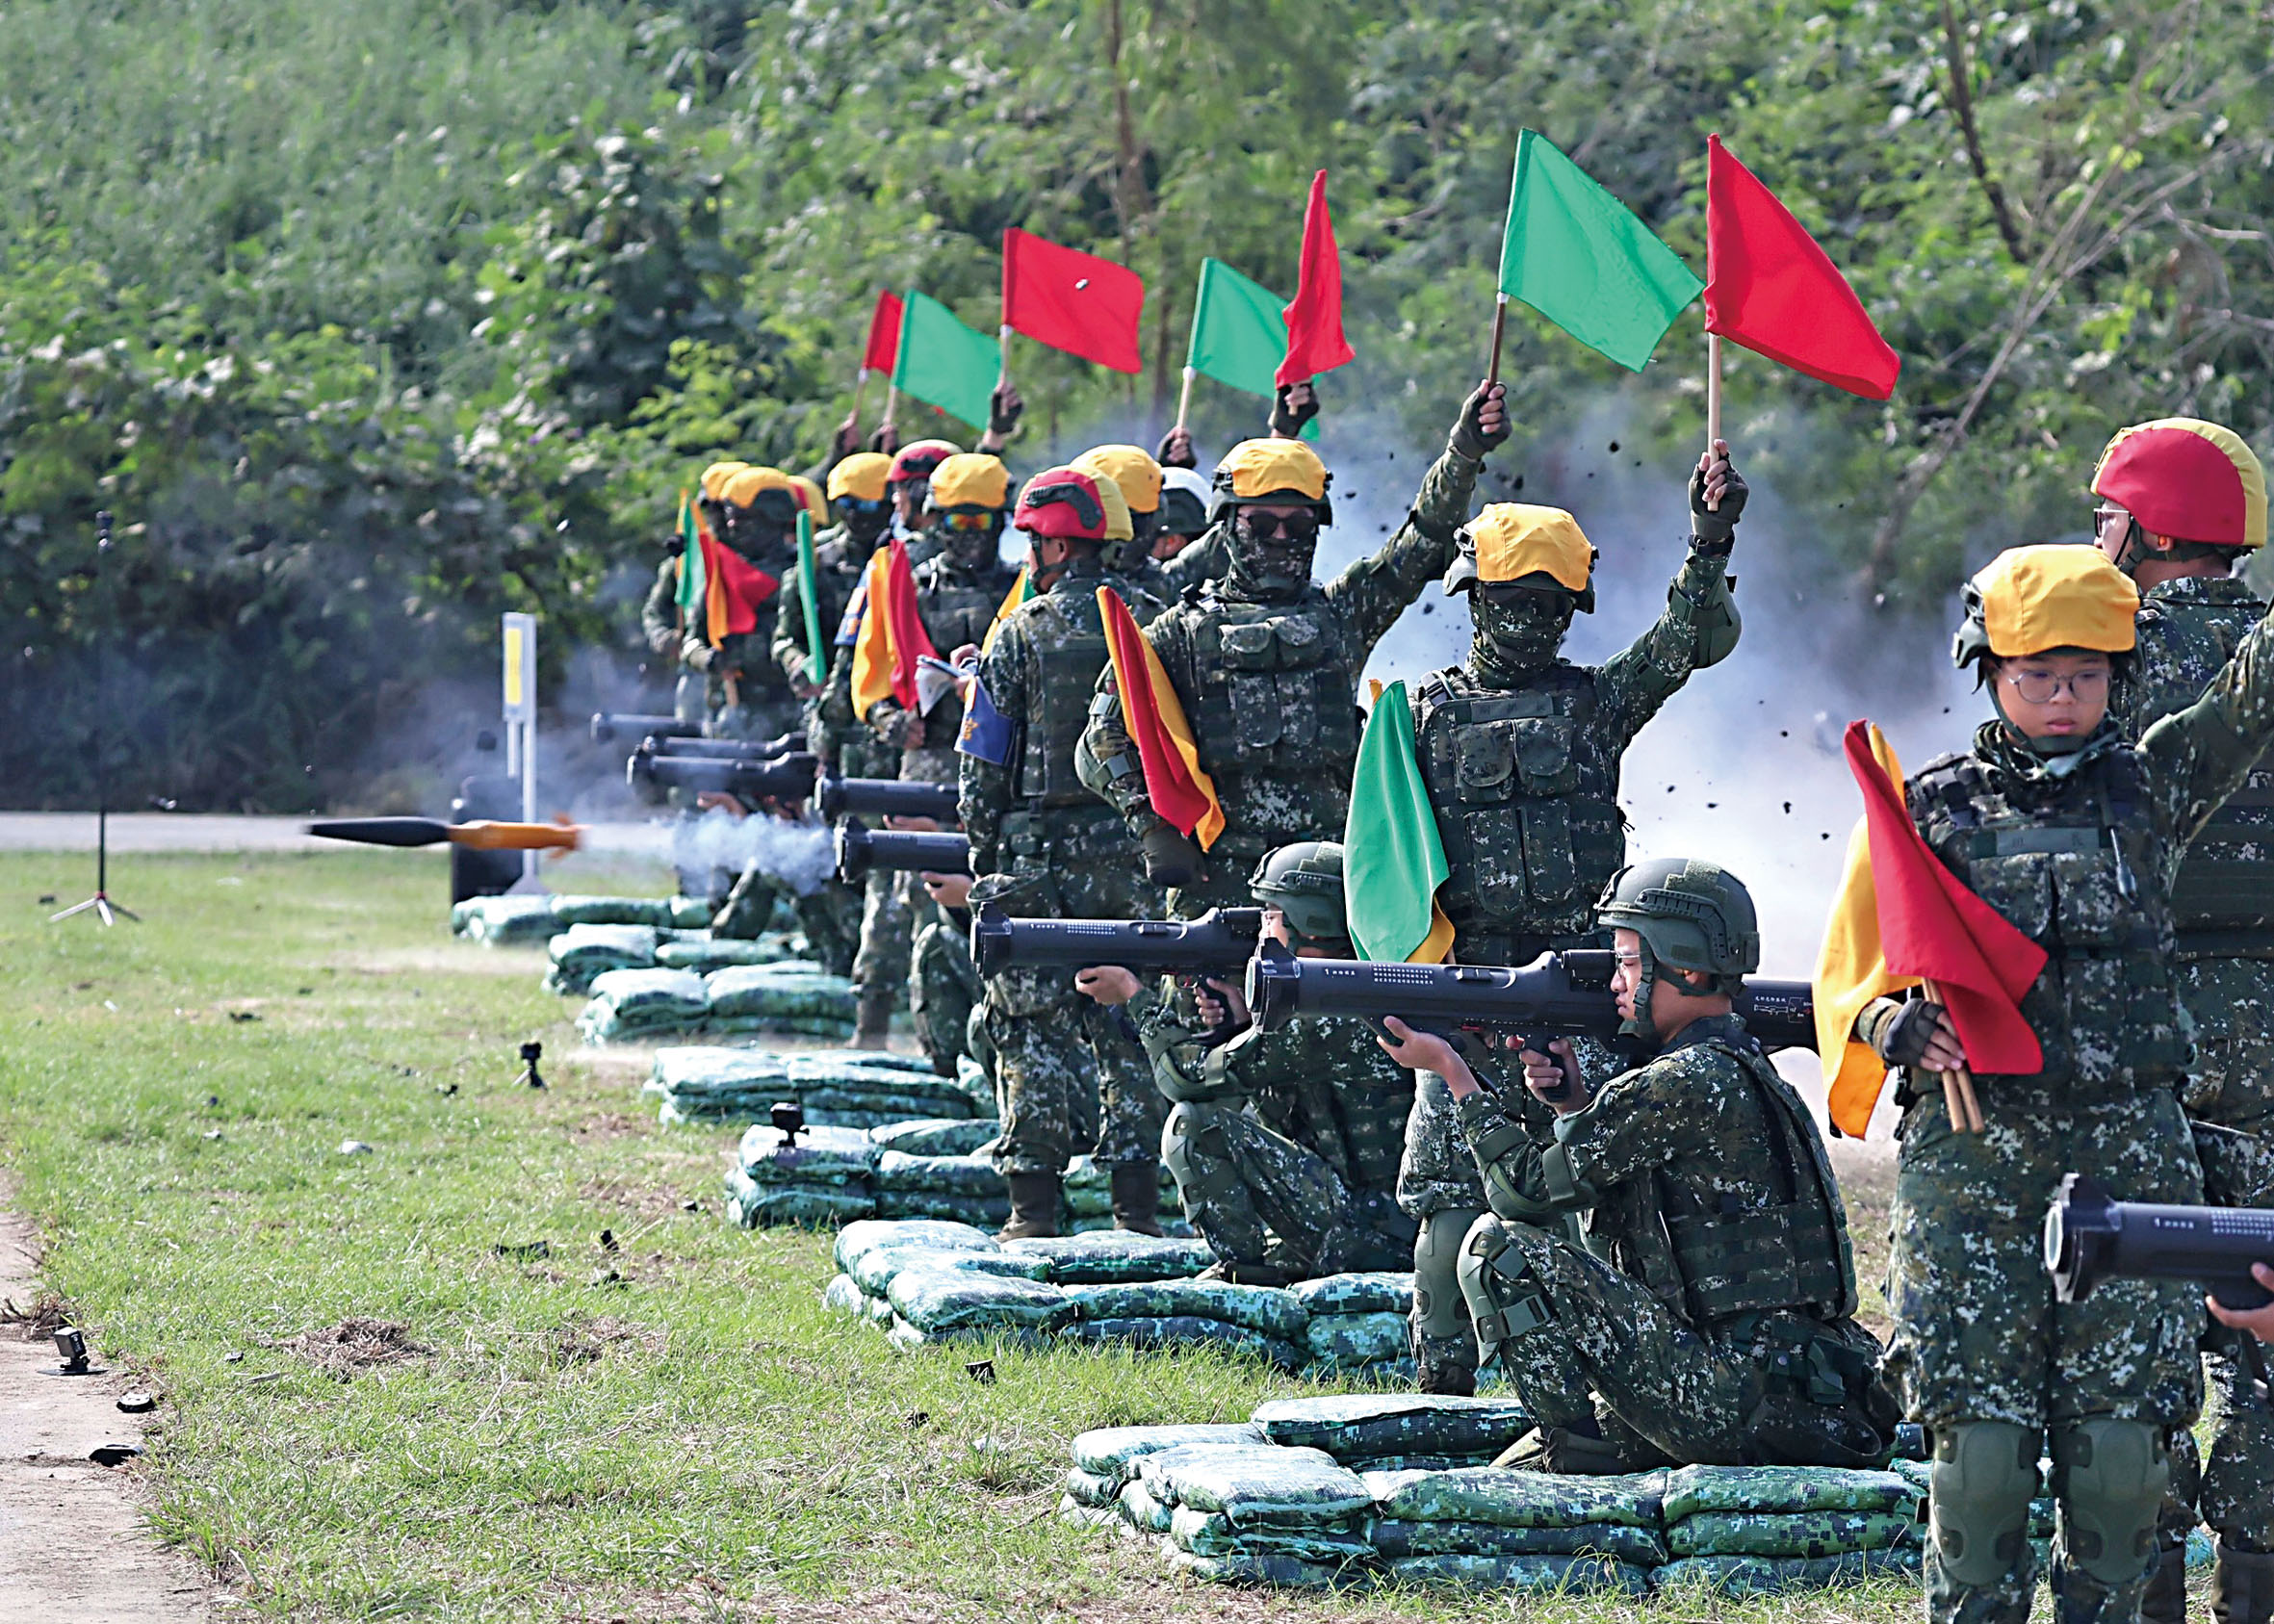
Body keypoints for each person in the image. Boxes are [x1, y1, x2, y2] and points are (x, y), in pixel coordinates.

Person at [1854, 542, 2274, 1624]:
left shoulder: (2155, 785)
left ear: (2119, 681)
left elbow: (2250, 689)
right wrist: (1893, 1023)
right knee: (1979, 1463)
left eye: (2085, 676)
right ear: (1987, 670)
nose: (2059, 697)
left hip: (2131, 1153)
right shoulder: (1927, 809)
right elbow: (1852, 968)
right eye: (2035, 674)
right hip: (1974, 1162)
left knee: (2125, 1464)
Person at [1396, 457, 1746, 1396]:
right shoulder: (1417, 717)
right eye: (1508, 601)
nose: (1523, 621)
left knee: (1596, 1183)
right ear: (1470, 597)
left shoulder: (1596, 703)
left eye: (1544, 605)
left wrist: (1708, 543)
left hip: (1590, 994)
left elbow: (1683, 638)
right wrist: (1403, 979)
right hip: (1464, 984)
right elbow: (1383, 866)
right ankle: (1441, 1382)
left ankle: (1596, 1378)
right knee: (1445, 1189)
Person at [1380, 860, 1897, 1473]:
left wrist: (1452, 1073)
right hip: (1795, 1393)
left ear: (1686, 966)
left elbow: (1521, 1195)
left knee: (1498, 1248)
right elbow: (1624, 1210)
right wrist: (1573, 1103)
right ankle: (1579, 1453)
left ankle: (1576, 1455)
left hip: (1729, 1397)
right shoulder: (1739, 1066)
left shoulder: (1684, 1081)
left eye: (1627, 962)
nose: (1615, 985)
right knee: (1503, 1474)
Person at [1080, 382, 1508, 916]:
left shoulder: (1343, 613)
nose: (1281, 537)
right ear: (1228, 528)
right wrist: (1151, 827)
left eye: (1298, 524)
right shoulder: (1176, 632)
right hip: (1217, 880)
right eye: (1261, 523)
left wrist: (1463, 453)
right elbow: (1099, 738)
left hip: (1329, 882)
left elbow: (1421, 541)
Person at [2090, 416, 2274, 1624]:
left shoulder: (2078, 654)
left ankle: (2143, 1577)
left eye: (2104, 512)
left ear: (2146, 529)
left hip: (2141, 1015)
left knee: (2133, 1295)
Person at [959, 466, 1169, 1238]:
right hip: (1133, 856)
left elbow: (983, 763)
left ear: (1053, 543)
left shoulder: (1019, 630)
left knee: (1028, 1026)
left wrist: (984, 851)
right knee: (1129, 1027)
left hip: (1035, 856)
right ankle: (1135, 1211)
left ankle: (1033, 1211)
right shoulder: (1156, 618)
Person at [1082, 841, 1415, 1284]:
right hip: (1372, 1218)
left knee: (1196, 1124)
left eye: (1271, 914)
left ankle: (1248, 1273)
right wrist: (1242, 1020)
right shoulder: (1346, 985)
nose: (1260, 927)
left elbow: (1186, 1081)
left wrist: (1133, 997)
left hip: (1370, 1232)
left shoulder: (1328, 1012)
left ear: (1309, 921)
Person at [685, 466, 802, 743]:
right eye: (730, 517)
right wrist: (709, 659)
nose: (733, 525)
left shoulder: (804, 573)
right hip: (735, 717)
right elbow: (691, 642)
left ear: (772, 519)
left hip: (794, 715)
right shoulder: (723, 574)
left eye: (743, 517)